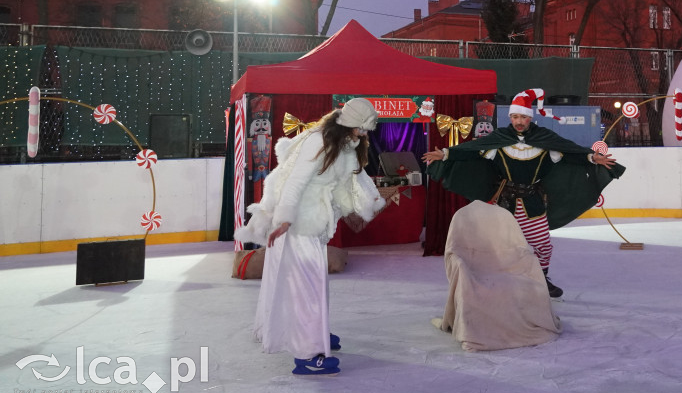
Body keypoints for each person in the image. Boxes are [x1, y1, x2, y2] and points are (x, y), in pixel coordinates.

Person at [422, 88, 625, 298]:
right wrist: (446, 154)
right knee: (500, 243)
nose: (519, 121)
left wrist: (592, 158)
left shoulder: (544, 138)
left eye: (524, 117)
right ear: (510, 117)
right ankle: (499, 281)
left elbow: (570, 152)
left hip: (532, 201)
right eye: (516, 116)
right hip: (503, 203)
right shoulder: (499, 138)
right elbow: (472, 149)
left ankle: (542, 278)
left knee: (542, 244)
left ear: (530, 118)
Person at [235, 98, 384, 376]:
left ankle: (315, 335)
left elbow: (353, 178)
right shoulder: (319, 142)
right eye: (362, 128)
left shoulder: (342, 144)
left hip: (311, 225)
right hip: (297, 226)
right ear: (349, 123)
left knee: (314, 286)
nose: (365, 134)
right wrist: (283, 220)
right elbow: (294, 182)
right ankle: (306, 355)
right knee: (307, 290)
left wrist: (372, 200)